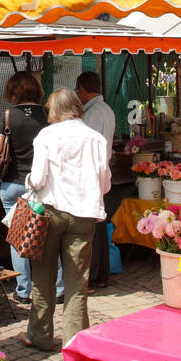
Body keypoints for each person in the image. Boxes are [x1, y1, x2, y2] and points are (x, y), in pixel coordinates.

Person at [23, 88, 111, 351]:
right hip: (84, 214)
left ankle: (40, 334)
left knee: (43, 275)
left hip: (50, 211)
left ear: (53, 110)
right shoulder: (96, 139)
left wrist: (27, 182)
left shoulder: (46, 135)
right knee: (76, 281)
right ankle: (75, 341)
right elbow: (104, 183)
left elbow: (37, 178)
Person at [0, 71, 48, 306]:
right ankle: (56, 286)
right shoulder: (47, 115)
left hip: (13, 182)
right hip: (42, 184)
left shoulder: (7, 116)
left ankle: (23, 290)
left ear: (12, 91)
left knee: (18, 238)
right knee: (46, 235)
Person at [75, 70, 116, 290]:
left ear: (82, 89)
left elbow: (85, 146)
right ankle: (101, 274)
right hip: (101, 172)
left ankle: (93, 275)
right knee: (99, 224)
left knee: (92, 227)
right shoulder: (106, 109)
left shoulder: (91, 114)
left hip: (91, 173)